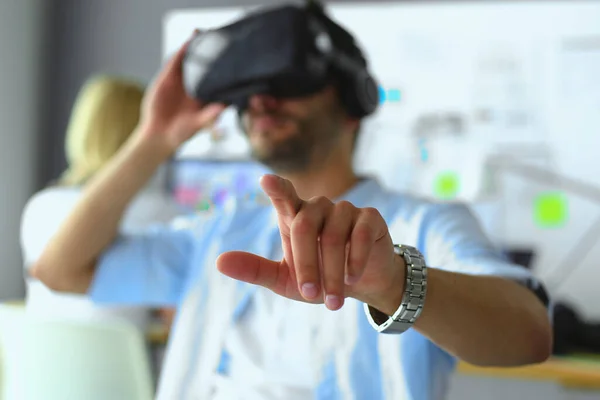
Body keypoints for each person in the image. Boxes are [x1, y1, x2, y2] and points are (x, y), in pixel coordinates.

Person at [32, 10, 552, 400]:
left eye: (285, 82)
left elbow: (529, 335)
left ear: (351, 104)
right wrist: (154, 139)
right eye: (250, 89)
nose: (261, 100)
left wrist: (394, 283)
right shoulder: (218, 234)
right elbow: (61, 271)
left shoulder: (426, 223)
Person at [21, 75, 181, 330]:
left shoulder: (39, 204)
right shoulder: (160, 210)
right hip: (120, 366)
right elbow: (177, 315)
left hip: (38, 365)